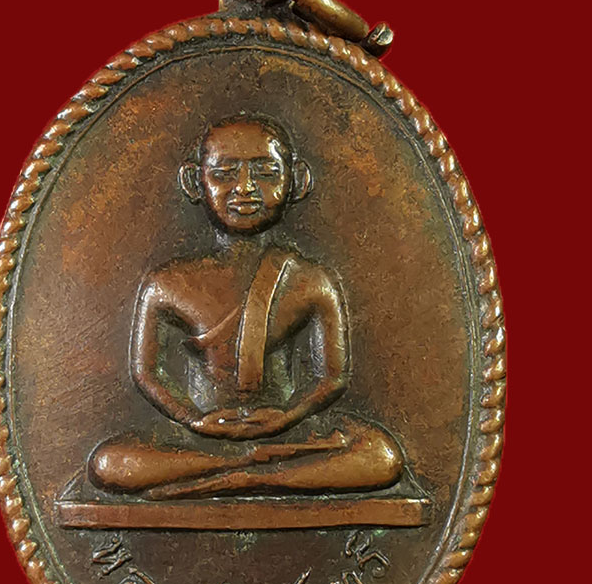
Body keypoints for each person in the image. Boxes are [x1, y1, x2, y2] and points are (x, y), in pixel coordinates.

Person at [90, 115, 403, 498]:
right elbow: (146, 373)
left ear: (296, 181)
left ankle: (243, 478)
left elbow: (332, 378)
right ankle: (246, 468)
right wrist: (195, 420)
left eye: (266, 173)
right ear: (194, 182)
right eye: (224, 173)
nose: (245, 188)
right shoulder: (167, 283)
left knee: (382, 457)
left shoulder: (311, 280)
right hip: (199, 436)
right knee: (109, 463)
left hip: (289, 434)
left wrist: (286, 416)